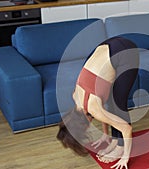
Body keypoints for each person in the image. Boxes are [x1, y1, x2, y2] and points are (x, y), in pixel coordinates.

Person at [57, 36, 139, 169]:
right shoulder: (75, 97)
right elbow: (100, 110)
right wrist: (105, 135)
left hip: (126, 51)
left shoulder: (93, 109)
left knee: (119, 104)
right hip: (108, 44)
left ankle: (120, 147)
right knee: (110, 102)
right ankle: (114, 140)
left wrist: (125, 158)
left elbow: (127, 128)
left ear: (82, 126)